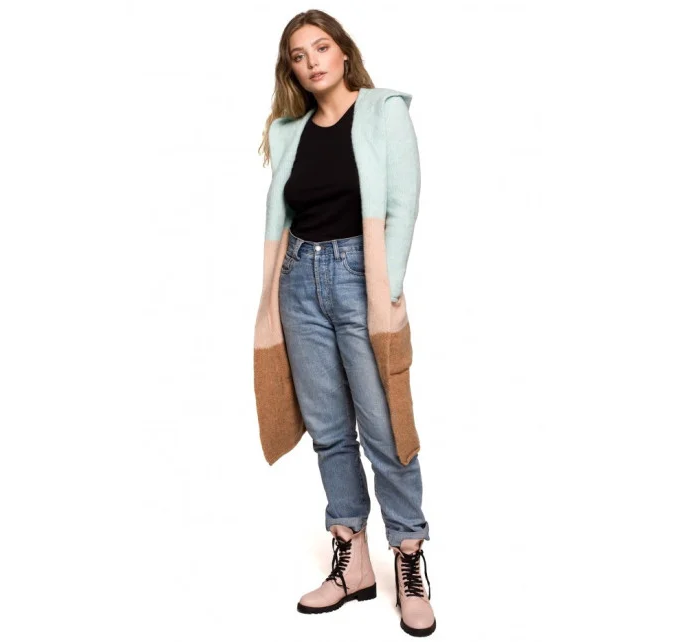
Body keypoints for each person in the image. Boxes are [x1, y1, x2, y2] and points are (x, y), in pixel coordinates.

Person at [254, 9, 436, 637]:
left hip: (364, 280)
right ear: (292, 70)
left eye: (321, 47)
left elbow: (404, 205)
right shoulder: (288, 130)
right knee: (329, 429)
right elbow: (282, 218)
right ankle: (352, 559)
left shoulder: (384, 112)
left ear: (343, 51)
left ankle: (408, 556)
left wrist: (389, 289)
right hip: (298, 280)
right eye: (298, 55)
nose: (312, 61)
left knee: (385, 427)